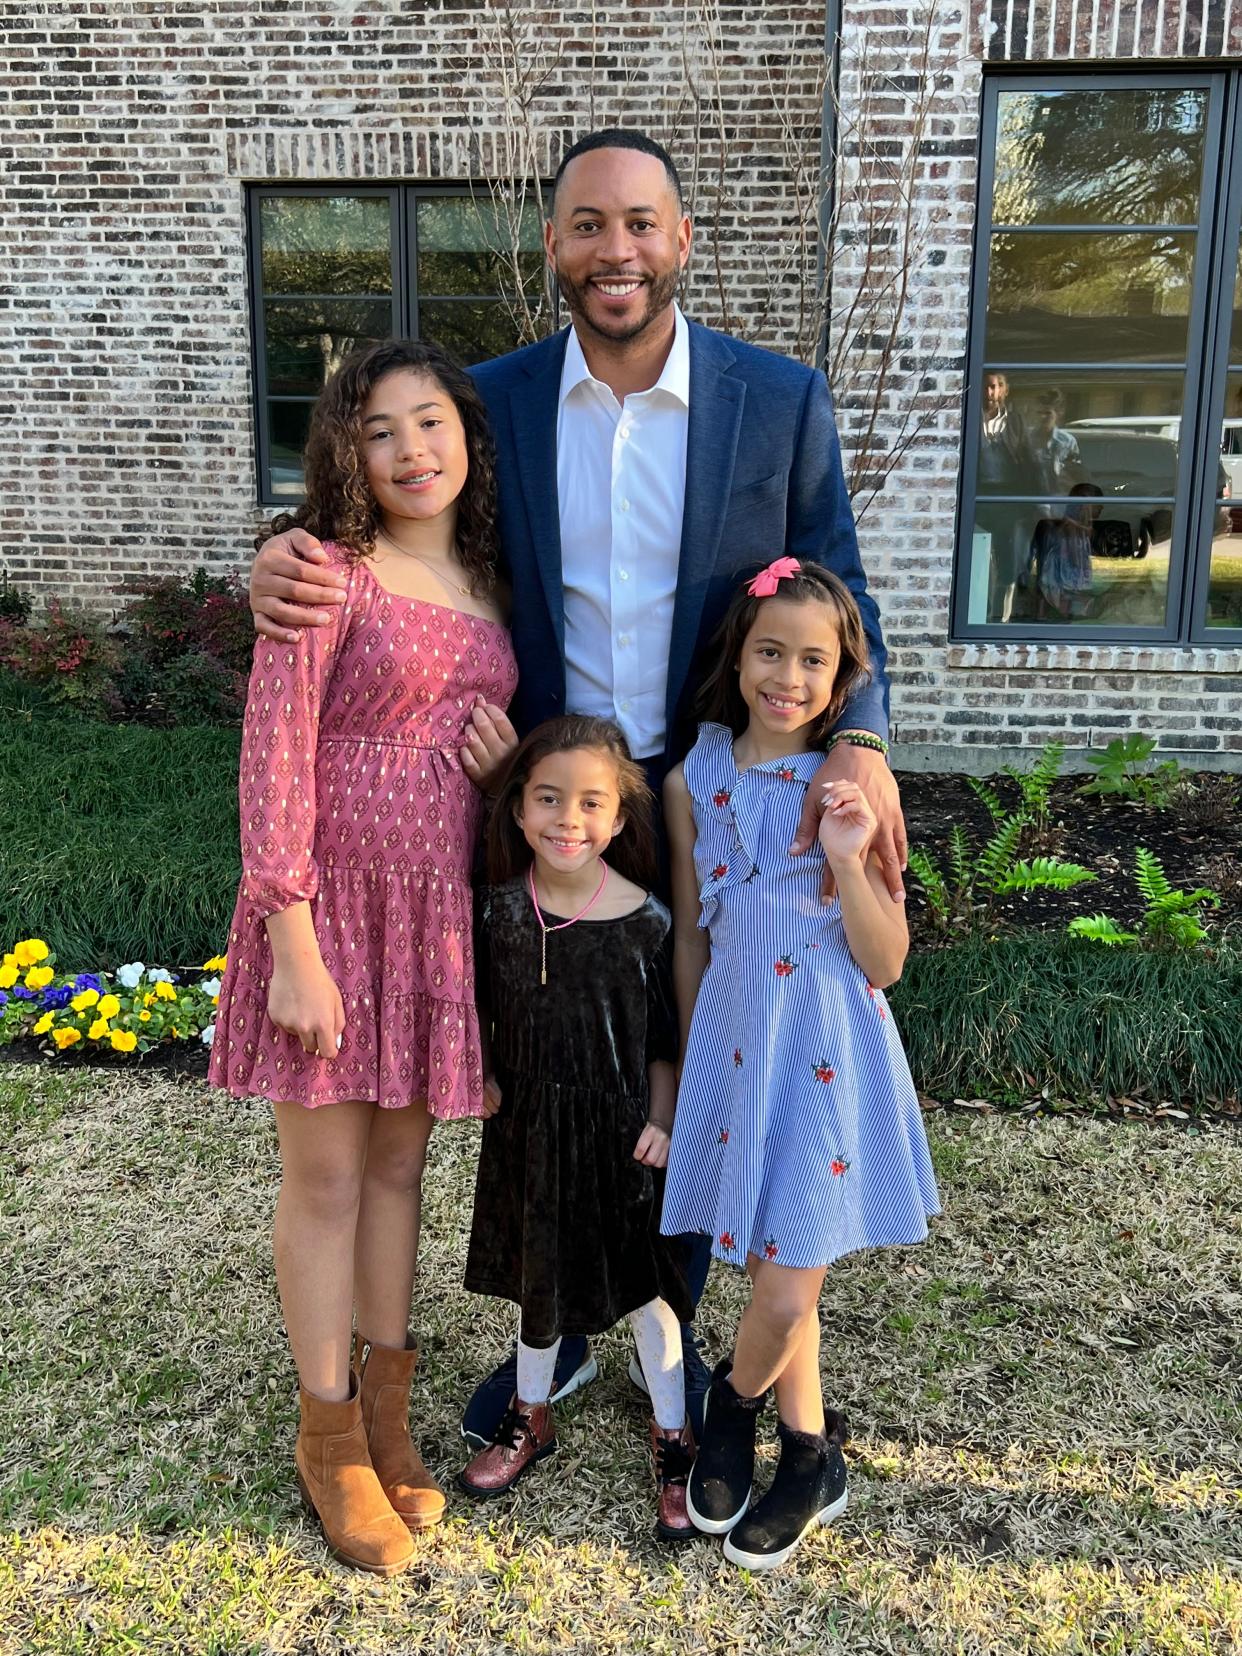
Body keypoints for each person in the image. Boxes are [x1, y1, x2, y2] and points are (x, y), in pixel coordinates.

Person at [244, 128, 906, 1443]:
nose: (618, 250)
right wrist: (275, 559)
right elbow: (388, 515)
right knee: (547, 1071)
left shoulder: (776, 403)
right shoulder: (485, 401)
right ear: (550, 245)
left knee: (695, 1063)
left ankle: (671, 1335)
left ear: (681, 242)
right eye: (589, 224)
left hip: (714, 796)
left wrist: (863, 739)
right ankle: (558, 1323)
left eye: (643, 224)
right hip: (540, 803)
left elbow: (843, 584)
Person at [208, 339, 519, 1575]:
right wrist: (290, 934)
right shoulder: (326, 578)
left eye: (430, 422)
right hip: (333, 912)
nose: (410, 451)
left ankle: (390, 1419)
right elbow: (273, 751)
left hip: (433, 914)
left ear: (466, 437)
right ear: (347, 451)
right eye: (378, 430)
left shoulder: (495, 586)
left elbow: (501, 759)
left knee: (400, 1173)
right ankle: (328, 1434)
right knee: (329, 1179)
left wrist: (504, 779)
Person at [661, 557, 940, 1572]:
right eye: (769, 651)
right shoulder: (692, 777)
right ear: (737, 657)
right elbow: (694, 933)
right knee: (785, 1258)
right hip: (738, 1054)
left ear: (841, 677)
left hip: (826, 1055)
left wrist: (841, 854)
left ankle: (730, 1410)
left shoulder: (847, 783)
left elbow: (888, 960)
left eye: (813, 660)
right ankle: (812, 1459)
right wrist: (696, 1061)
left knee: (782, 1286)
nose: (787, 675)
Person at [457, 715, 697, 1541]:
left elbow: (665, 1042)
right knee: (538, 1276)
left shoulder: (646, 924)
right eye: (549, 799)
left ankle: (675, 1434)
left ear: (621, 819)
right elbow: (478, 1013)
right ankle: (532, 1414)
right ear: (518, 810)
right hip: (528, 1129)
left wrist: (662, 1120)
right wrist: (481, 1072)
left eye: (591, 803)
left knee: (643, 1286)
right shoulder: (494, 913)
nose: (569, 819)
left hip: (621, 1134)